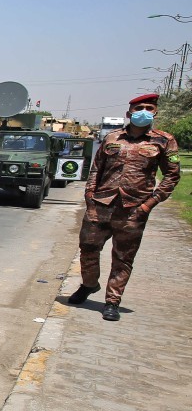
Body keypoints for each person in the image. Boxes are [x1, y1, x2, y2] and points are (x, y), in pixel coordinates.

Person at [68, 93, 180, 321]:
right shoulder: (112, 138)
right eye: (140, 107)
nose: (144, 111)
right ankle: (89, 285)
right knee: (88, 249)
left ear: (155, 112)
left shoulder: (163, 140)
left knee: (123, 258)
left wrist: (150, 204)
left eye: (149, 108)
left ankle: (112, 301)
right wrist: (90, 194)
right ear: (129, 113)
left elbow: (172, 176)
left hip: (134, 208)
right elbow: (96, 169)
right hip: (101, 204)